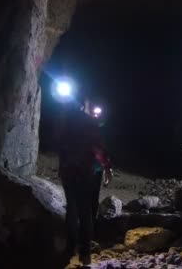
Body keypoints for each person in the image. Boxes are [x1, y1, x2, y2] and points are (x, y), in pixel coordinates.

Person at [55, 98, 112, 266]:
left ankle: (70, 248)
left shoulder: (64, 120)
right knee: (85, 211)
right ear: (83, 106)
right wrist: (107, 166)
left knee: (72, 209)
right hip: (84, 172)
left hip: (68, 171)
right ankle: (85, 253)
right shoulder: (88, 123)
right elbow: (98, 147)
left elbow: (57, 143)